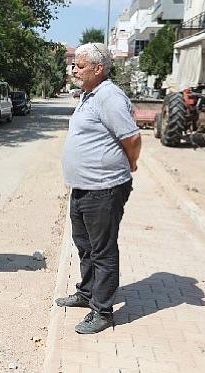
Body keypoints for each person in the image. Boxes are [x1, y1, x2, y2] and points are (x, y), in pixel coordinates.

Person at [56, 43, 141, 334]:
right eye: (74, 65)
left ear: (98, 68)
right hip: (82, 187)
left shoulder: (110, 97)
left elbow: (132, 138)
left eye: (79, 66)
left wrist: (130, 165)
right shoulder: (89, 95)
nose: (74, 69)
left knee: (102, 251)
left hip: (103, 188)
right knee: (84, 246)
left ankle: (102, 312)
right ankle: (86, 293)